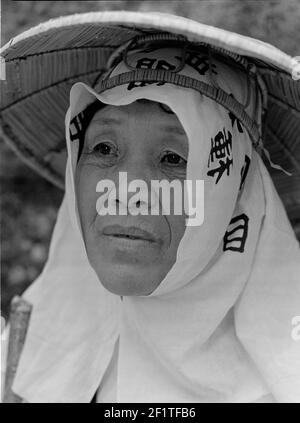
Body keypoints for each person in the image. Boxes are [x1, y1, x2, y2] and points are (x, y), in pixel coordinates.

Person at [1, 12, 300, 403]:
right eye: (104, 148)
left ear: (233, 189)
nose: (128, 190)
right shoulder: (20, 364)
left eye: (173, 158)